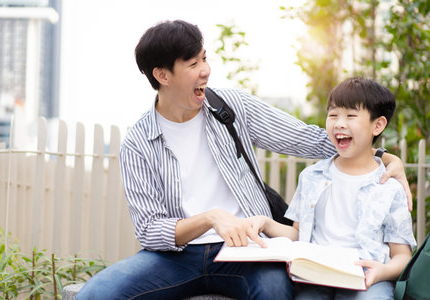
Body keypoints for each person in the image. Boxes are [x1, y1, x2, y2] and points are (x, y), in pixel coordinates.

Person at [76, 21, 411, 300]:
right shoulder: (138, 142)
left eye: (204, 59)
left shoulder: (232, 107)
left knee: (275, 291)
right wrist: (210, 219)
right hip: (174, 259)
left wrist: (381, 155)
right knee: (96, 295)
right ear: (162, 75)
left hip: (248, 251)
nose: (205, 71)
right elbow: (150, 230)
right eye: (193, 65)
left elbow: (306, 138)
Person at [249, 77, 416, 299]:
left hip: (367, 279)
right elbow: (298, 234)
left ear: (378, 125)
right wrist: (267, 223)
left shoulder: (390, 188)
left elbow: (402, 255)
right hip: (316, 277)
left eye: (351, 115)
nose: (339, 123)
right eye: (333, 115)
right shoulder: (311, 176)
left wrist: (382, 272)